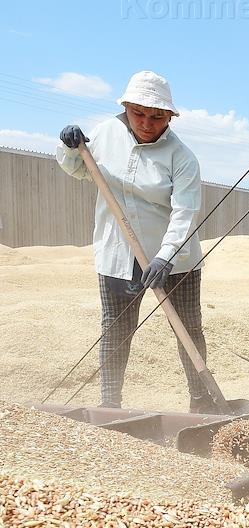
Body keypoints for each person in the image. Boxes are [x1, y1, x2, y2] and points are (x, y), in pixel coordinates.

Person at [56, 70, 214, 413]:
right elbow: (80, 169)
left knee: (188, 329)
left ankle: (202, 403)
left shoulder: (182, 157)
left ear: (170, 116)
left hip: (174, 261)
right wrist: (69, 147)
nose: (146, 123)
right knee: (115, 329)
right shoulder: (104, 133)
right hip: (117, 254)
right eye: (138, 113)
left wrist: (166, 256)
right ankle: (110, 404)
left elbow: (185, 213)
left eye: (157, 117)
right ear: (125, 107)